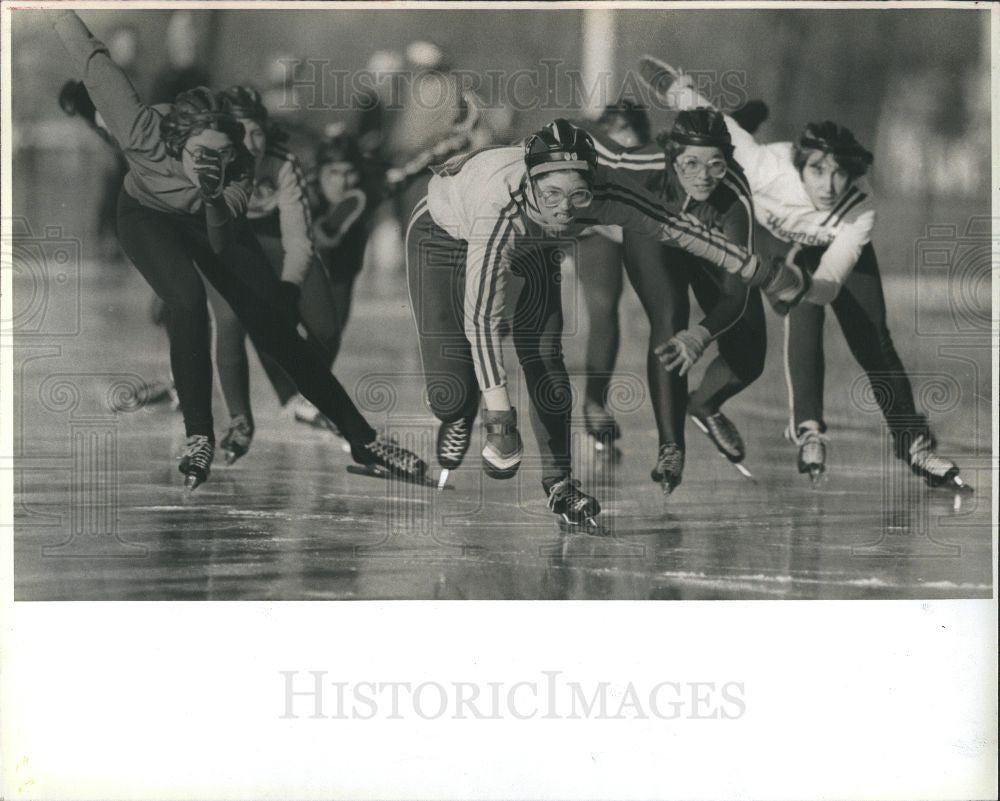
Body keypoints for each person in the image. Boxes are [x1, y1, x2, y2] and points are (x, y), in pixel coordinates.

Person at [48, 9, 426, 489]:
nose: (213, 164)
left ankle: (363, 438)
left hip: (212, 221)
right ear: (178, 142)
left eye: (222, 157)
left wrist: (211, 192)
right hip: (146, 216)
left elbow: (223, 244)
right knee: (185, 301)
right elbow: (94, 58)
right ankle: (199, 434)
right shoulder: (143, 132)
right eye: (202, 156)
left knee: (277, 331)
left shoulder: (239, 166)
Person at [405, 118, 807, 525]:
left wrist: (755, 267)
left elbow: (674, 226)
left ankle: (559, 482)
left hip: (533, 242)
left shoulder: (606, 189)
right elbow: (482, 320)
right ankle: (461, 410)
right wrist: (500, 420)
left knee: (545, 357)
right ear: (529, 183)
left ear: (592, 185)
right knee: (450, 395)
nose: (565, 207)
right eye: (553, 194)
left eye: (578, 195)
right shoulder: (499, 208)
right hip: (444, 238)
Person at [640, 55, 970, 491]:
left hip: (831, 258)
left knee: (875, 341)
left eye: (839, 174)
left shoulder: (859, 210)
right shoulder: (766, 169)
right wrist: (671, 84)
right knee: (802, 319)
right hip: (779, 243)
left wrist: (801, 285)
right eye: (818, 170)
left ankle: (915, 444)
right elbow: (714, 119)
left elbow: (830, 283)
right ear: (800, 166)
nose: (829, 186)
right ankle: (809, 429)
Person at [608, 109, 767, 494]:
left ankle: (705, 405)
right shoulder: (639, 167)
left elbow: (735, 294)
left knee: (750, 356)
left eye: (716, 164)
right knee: (670, 316)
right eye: (691, 164)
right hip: (653, 235)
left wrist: (702, 335)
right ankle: (670, 447)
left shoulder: (734, 204)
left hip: (712, 246)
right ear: (671, 157)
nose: (703, 176)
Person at [202, 86, 345, 463]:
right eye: (242, 134)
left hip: (277, 236)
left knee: (325, 327)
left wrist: (287, 287)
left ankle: (296, 393)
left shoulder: (282, 162)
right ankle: (240, 421)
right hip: (229, 239)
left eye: (259, 132)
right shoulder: (211, 160)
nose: (253, 144)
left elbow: (300, 240)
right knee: (231, 319)